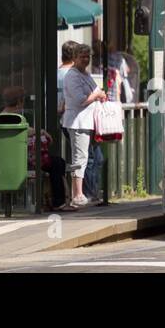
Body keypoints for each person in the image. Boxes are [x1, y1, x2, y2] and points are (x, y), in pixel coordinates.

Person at [1, 87, 67, 211]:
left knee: (55, 163)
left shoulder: (1, 116)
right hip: (22, 160)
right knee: (57, 163)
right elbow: (24, 131)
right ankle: (58, 201)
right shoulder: (14, 118)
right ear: (19, 101)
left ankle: (54, 199)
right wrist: (41, 131)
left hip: (11, 159)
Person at [60, 42, 106, 210]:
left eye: (88, 56)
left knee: (91, 158)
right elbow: (81, 100)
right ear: (74, 58)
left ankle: (87, 192)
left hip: (88, 122)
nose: (86, 59)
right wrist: (96, 94)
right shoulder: (72, 76)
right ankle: (77, 194)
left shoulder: (84, 74)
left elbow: (94, 92)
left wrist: (99, 95)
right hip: (77, 122)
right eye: (82, 57)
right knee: (80, 158)